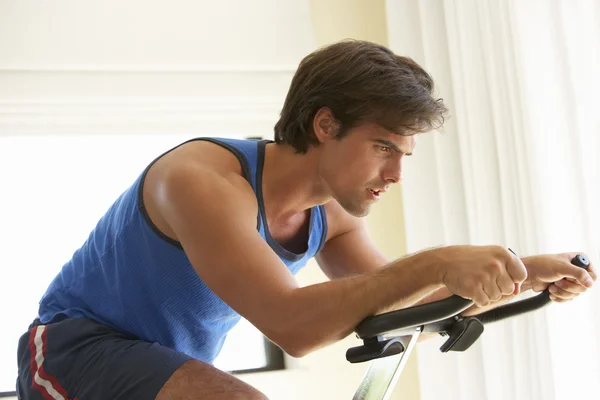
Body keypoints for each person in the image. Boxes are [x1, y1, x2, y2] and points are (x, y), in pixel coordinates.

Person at [16, 39, 596, 400]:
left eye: (405, 156)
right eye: (384, 147)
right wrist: (439, 260)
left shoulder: (332, 215)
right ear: (324, 125)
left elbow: (400, 307)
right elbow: (291, 326)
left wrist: (521, 271)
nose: (396, 175)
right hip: (73, 348)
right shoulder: (203, 181)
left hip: (159, 368)